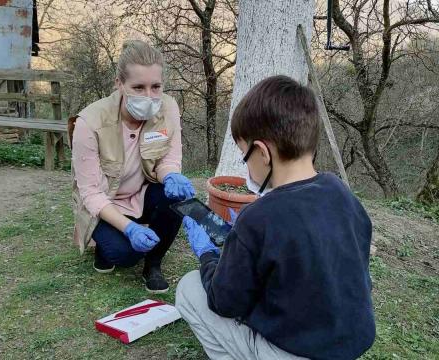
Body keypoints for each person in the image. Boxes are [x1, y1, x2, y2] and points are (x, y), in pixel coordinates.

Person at [176, 75, 375, 359]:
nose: (246, 166)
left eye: (245, 155)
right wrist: (243, 244)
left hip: (290, 351)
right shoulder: (341, 192)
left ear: (262, 152)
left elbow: (225, 302)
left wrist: (208, 256)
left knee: (189, 288)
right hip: (348, 345)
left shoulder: (259, 217)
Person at [71, 40, 195, 294]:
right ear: (119, 83)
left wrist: (171, 175)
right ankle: (106, 248)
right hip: (106, 202)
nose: (149, 96)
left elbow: (167, 160)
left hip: (141, 192)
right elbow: (90, 193)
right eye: (138, 87)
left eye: (156, 87)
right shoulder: (90, 122)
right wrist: (129, 228)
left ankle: (154, 264)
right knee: (124, 254)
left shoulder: (168, 108)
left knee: (175, 199)